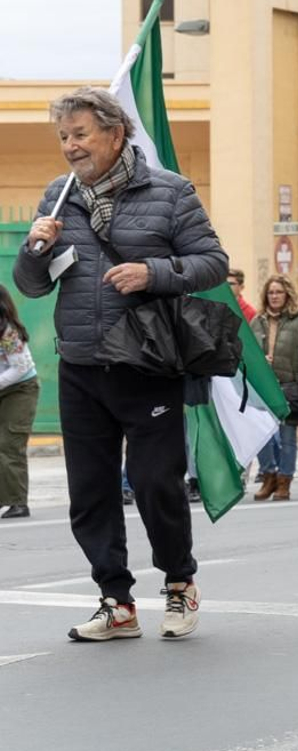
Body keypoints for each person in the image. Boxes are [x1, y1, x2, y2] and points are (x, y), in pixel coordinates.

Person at [14, 87, 226, 640]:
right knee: (90, 492)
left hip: (147, 362)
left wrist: (151, 273)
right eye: (63, 137)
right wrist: (32, 249)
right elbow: (30, 287)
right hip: (81, 365)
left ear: (115, 133)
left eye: (79, 134)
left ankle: (179, 583)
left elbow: (212, 263)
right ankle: (116, 601)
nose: (70, 147)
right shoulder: (58, 197)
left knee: (157, 483)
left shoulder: (170, 192)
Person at [249, 275, 298, 502]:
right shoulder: (257, 321)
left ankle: (284, 481)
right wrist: (261, 359)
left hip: (291, 386)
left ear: (287, 294)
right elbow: (247, 354)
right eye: (271, 292)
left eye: (279, 292)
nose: (275, 296)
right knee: (261, 436)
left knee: (288, 437)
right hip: (264, 386)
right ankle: (268, 475)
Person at [0, 283, 39, 520]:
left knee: (9, 444)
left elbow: (20, 368)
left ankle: (17, 503)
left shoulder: (8, 331)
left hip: (21, 389)